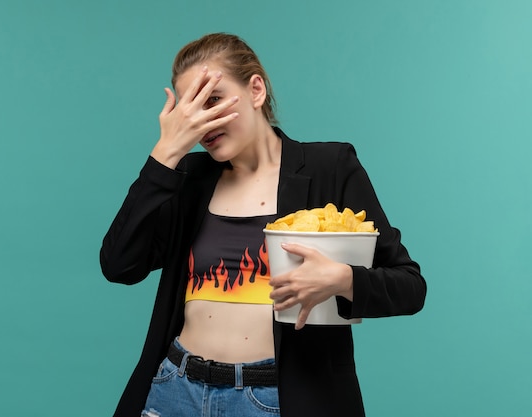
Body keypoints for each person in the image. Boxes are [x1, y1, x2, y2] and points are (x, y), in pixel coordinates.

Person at [100, 33, 426, 417]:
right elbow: (119, 265)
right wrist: (165, 153)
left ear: (255, 89)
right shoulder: (187, 178)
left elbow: (410, 285)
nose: (204, 121)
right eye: (191, 109)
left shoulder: (330, 167)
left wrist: (344, 280)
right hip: (176, 391)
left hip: (274, 399)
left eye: (215, 100)